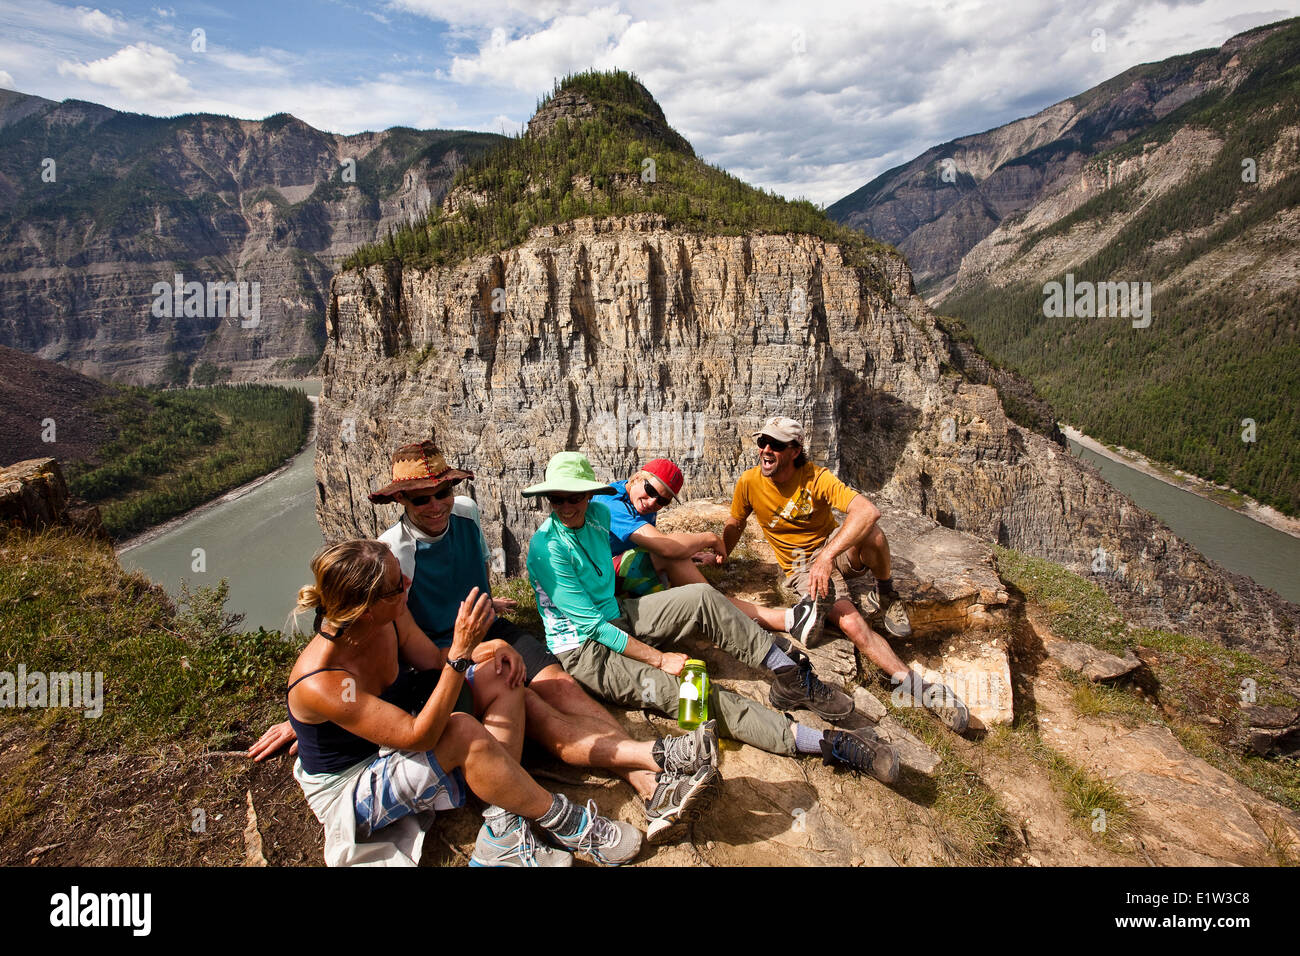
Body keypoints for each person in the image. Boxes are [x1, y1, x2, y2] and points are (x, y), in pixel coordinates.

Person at [252, 441, 720, 845]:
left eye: (442, 492)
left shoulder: (468, 515)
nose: (435, 505)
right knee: (535, 708)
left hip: (484, 629)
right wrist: (305, 720)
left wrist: (487, 620)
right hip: (440, 651)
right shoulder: (391, 554)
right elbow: (347, 637)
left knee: (560, 687)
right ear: (402, 503)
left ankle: (645, 781)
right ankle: (649, 774)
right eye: (420, 499)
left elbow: (466, 577)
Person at [524, 451, 899, 783]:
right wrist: (660, 659)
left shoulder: (600, 513)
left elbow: (651, 554)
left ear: (590, 494)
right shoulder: (546, 548)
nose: (566, 506)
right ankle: (826, 743)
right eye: (556, 498)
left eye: (575, 496)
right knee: (695, 693)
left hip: (619, 614)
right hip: (587, 649)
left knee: (702, 596)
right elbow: (591, 626)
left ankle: (787, 674)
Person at [262, 539, 640, 866]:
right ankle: (570, 823)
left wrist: (485, 648)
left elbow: (430, 660)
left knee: (499, 674)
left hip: (391, 739)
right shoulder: (322, 680)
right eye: (397, 585)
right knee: (462, 732)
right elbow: (418, 736)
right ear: (365, 607)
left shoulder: (389, 617)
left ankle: (503, 829)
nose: (408, 584)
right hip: (350, 786)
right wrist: (460, 653)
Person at [724, 416, 970, 733]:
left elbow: (867, 511)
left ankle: (886, 593)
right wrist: (721, 553)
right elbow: (736, 523)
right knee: (852, 623)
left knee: (874, 534)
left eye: (776, 445)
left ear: (796, 450)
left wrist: (827, 556)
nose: (766, 450)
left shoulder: (817, 478)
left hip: (830, 549)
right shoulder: (749, 482)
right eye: (763, 442)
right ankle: (920, 688)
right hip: (801, 563)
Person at [591, 457, 820, 643]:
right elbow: (665, 547)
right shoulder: (611, 503)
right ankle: (783, 620)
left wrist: (691, 553)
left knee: (680, 566)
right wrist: (708, 538)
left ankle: (784, 619)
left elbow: (647, 543)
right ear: (638, 476)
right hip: (595, 585)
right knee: (673, 561)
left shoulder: (637, 500)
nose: (652, 502)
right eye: (650, 490)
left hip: (610, 575)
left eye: (663, 501)